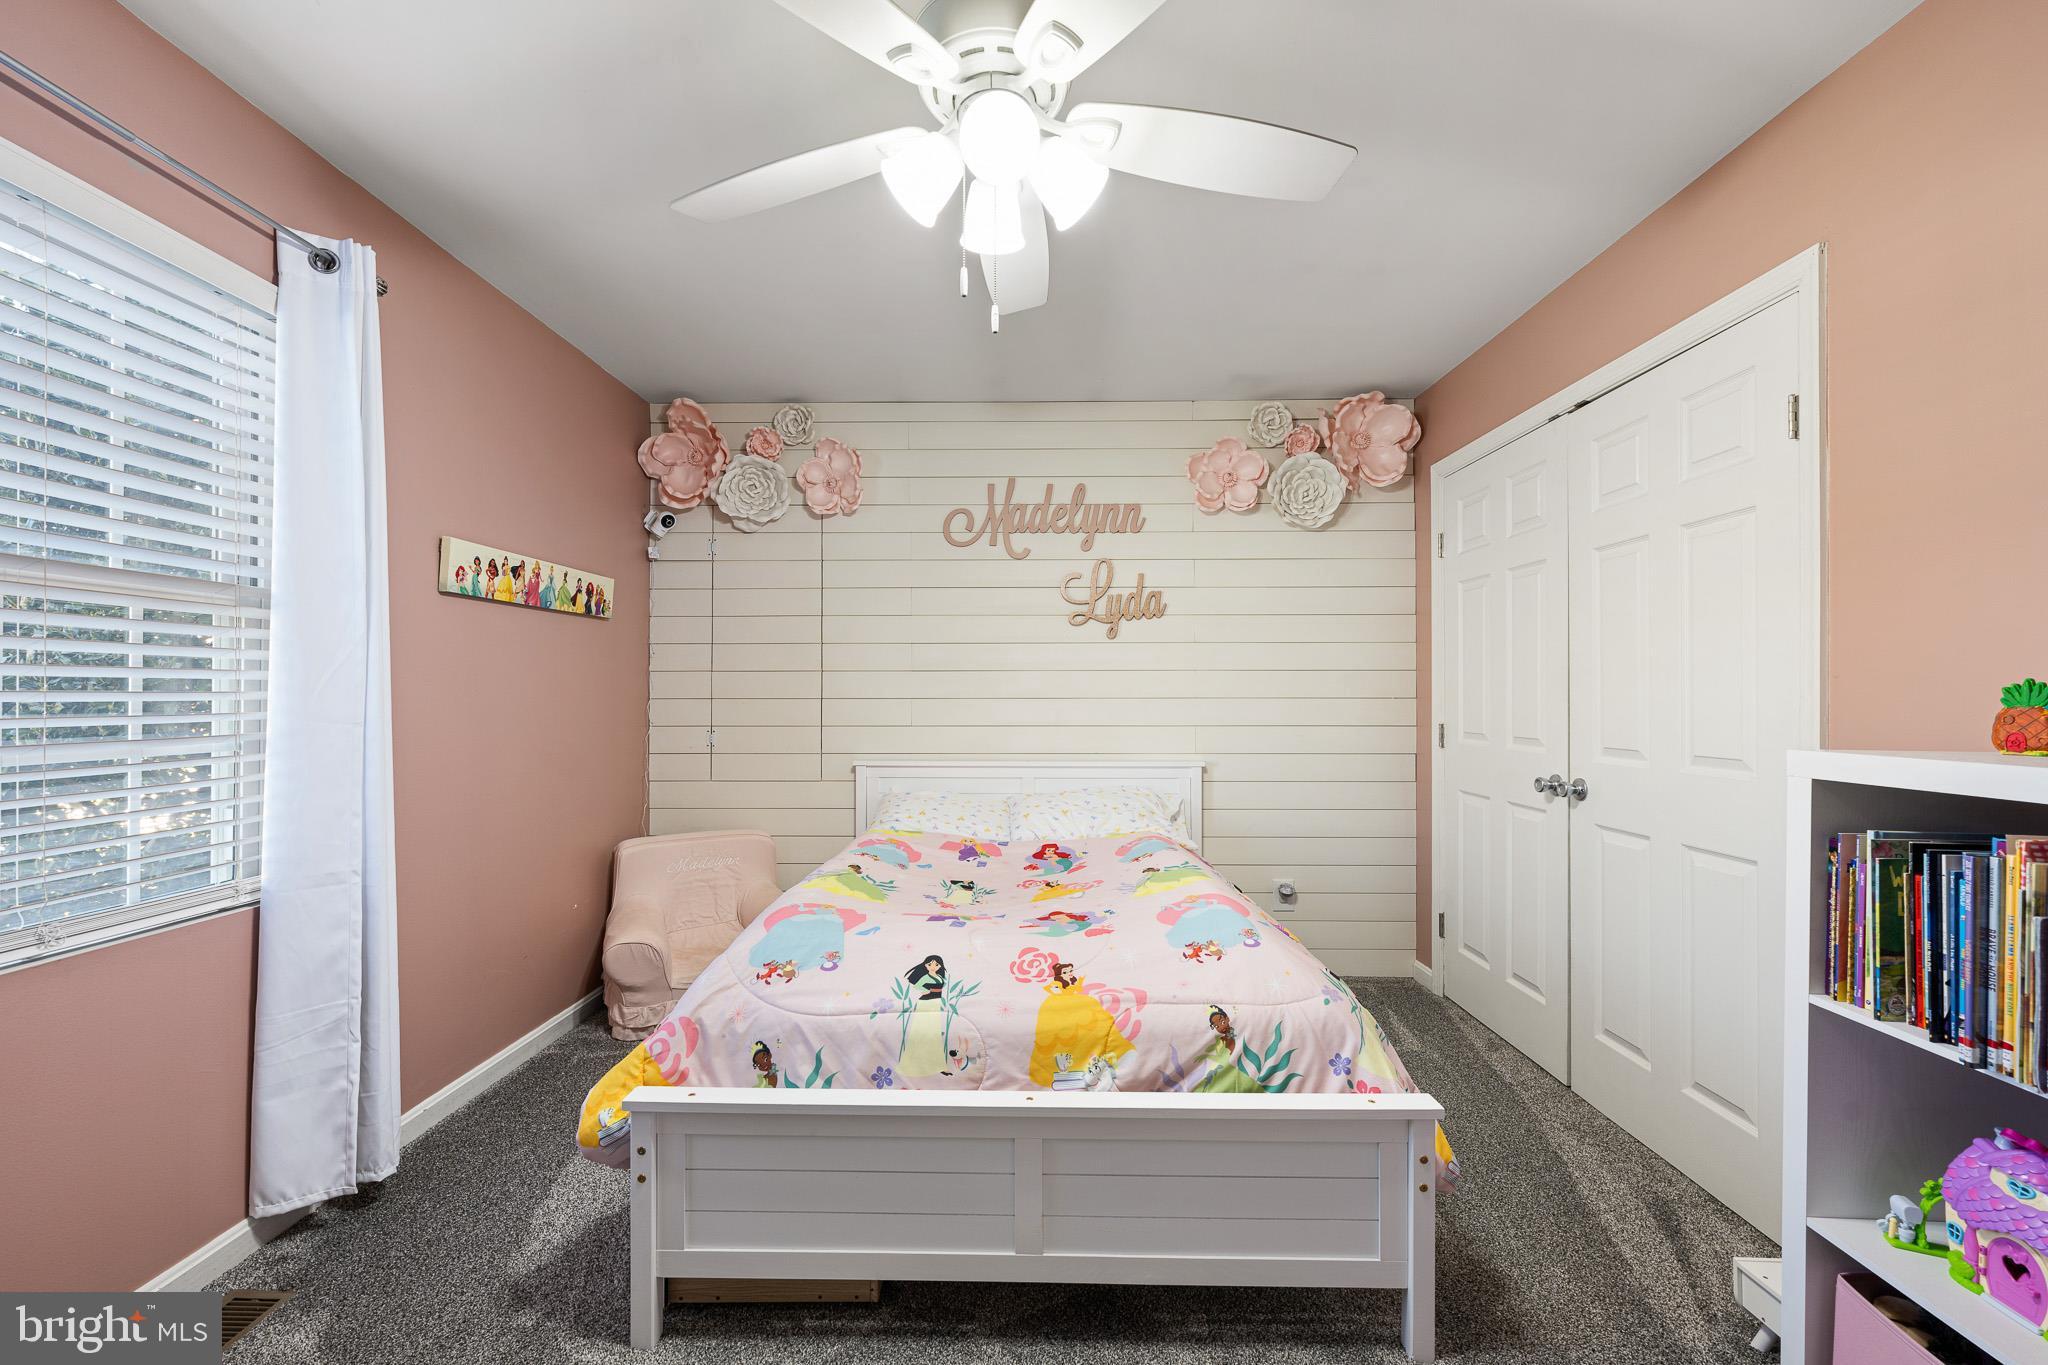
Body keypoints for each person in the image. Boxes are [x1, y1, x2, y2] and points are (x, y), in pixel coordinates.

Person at [898, 955, 953, 1078]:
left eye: (936, 965)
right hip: (926, 1003)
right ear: (925, 965)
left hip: (936, 1004)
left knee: (934, 1034)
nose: (933, 967)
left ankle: (938, 1065)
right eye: (930, 964)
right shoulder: (925, 977)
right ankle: (915, 1065)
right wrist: (925, 990)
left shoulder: (939, 977)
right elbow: (917, 985)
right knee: (922, 1033)